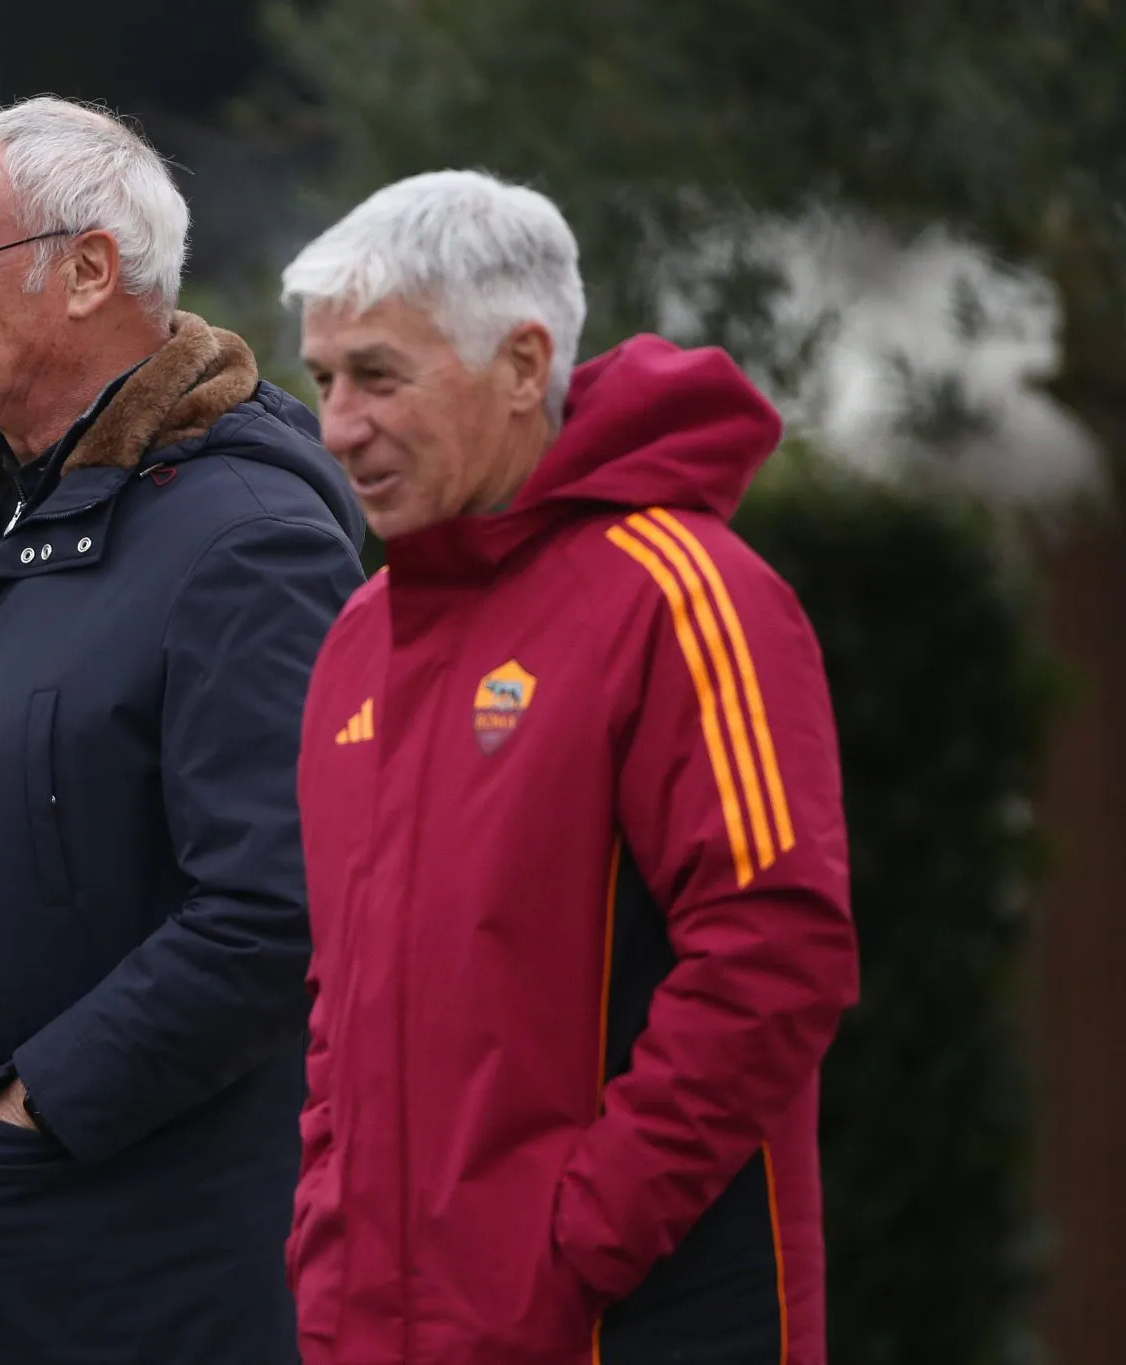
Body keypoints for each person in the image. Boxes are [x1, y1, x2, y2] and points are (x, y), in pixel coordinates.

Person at [0, 97, 366, 1365]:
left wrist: (25, 1115)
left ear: (90, 271)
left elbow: (280, 910)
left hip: (106, 1285)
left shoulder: (248, 543)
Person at [282, 171, 860, 1364]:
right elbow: (342, 1010)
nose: (338, 425)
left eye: (379, 375)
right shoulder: (357, 641)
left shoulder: (680, 594)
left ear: (518, 364)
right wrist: (326, 1253)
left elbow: (776, 954)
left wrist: (567, 1249)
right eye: (323, 379)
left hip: (626, 1323)